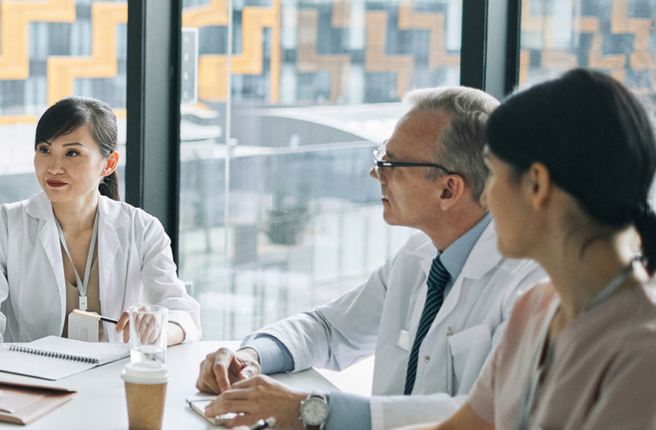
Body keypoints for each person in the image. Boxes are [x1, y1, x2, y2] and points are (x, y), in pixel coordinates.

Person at [197, 87, 547, 430]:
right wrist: (252, 357)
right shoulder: (418, 255)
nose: (375, 174)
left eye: (390, 163)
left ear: (447, 190)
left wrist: (314, 411)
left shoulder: (529, 283)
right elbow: (330, 329)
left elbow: (481, 416)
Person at [399, 70, 656, 430]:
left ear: (536, 185)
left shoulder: (644, 353)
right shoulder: (532, 308)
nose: (486, 196)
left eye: (492, 173)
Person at [0, 96, 200, 345]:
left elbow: (181, 313)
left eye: (72, 153)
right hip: (33, 384)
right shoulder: (4, 224)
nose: (53, 167)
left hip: (114, 382)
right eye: (44, 150)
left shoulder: (142, 229)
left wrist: (158, 330)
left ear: (108, 164)